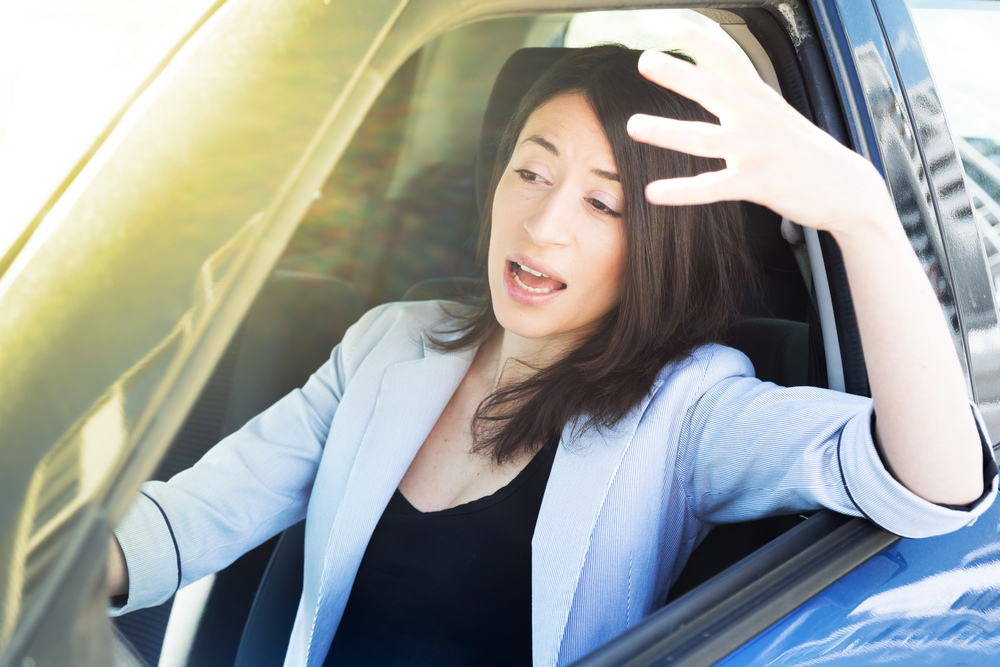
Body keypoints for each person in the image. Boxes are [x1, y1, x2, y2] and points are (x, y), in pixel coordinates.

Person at [106, 24, 996, 667]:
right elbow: (189, 521)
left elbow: (934, 486)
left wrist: (863, 216)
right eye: (530, 171)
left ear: (660, 245)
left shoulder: (690, 408)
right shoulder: (391, 343)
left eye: (603, 204)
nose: (542, 222)